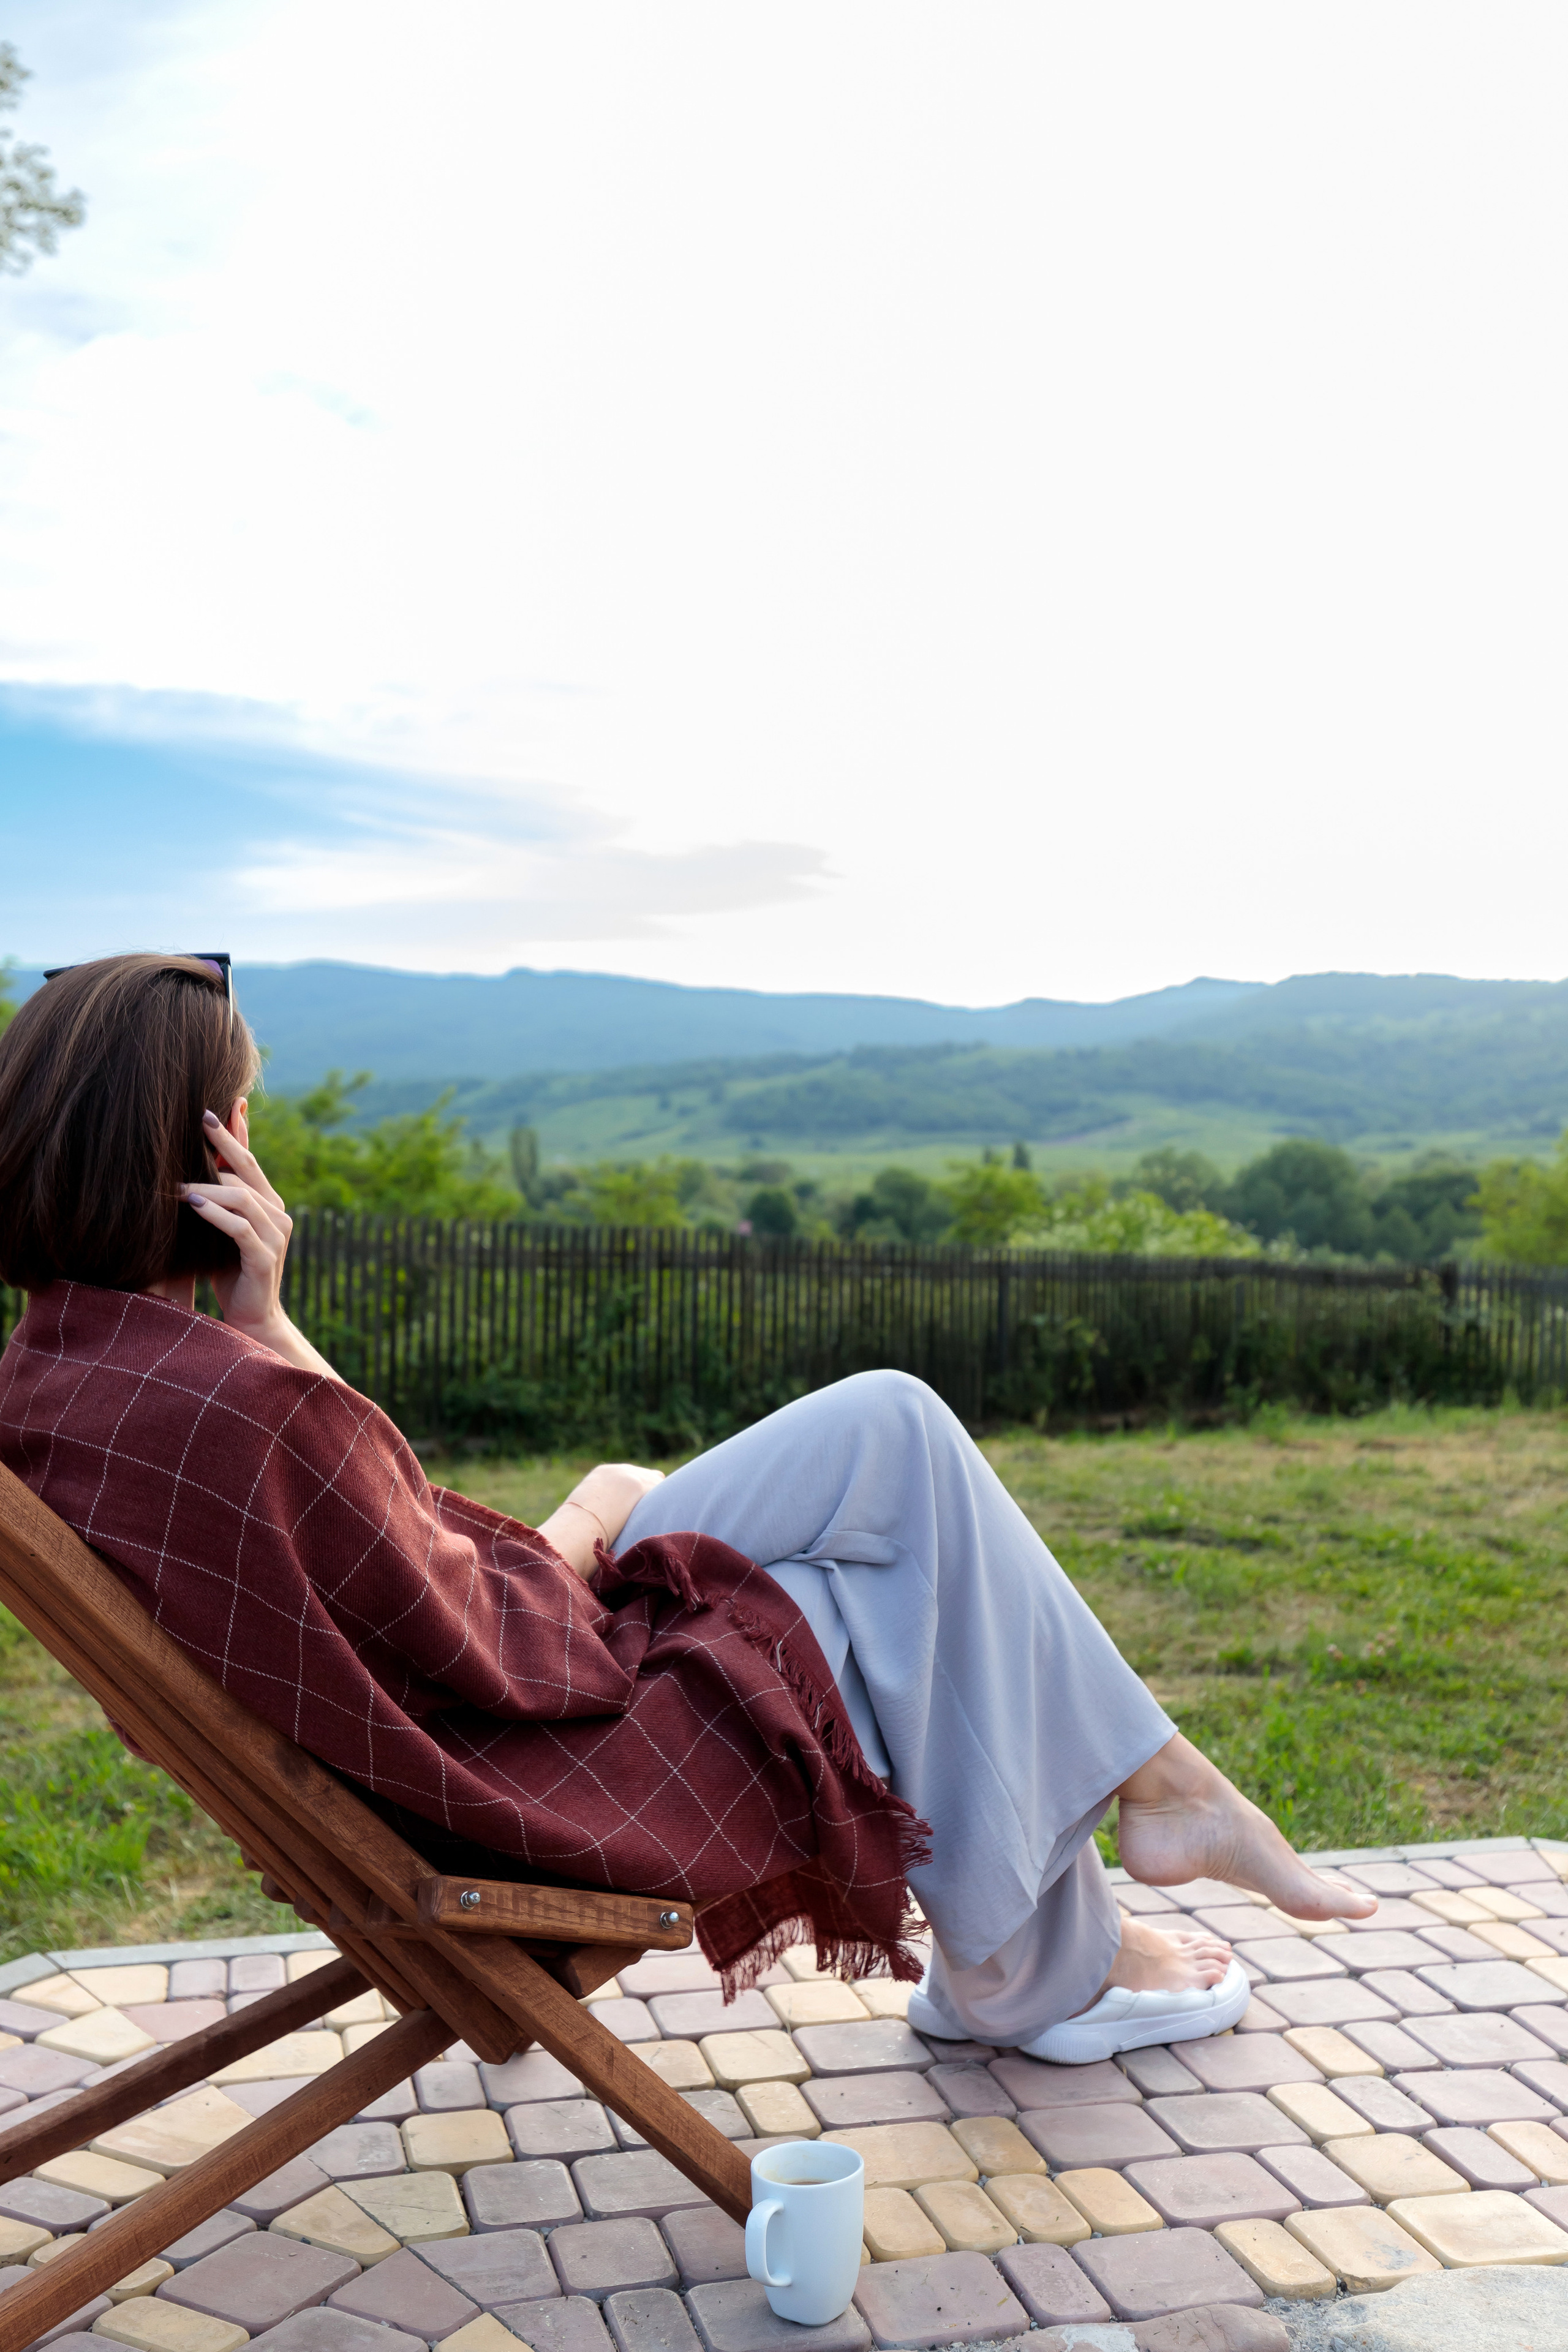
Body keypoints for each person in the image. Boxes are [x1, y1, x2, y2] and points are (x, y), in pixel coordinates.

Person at [0, 955, 1375, 2063]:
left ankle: (1058, 1930)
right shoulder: (225, 1410)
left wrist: (269, 1324)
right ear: (202, 1149)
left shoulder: (80, 1377)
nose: (255, 1143)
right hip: (529, 1779)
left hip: (458, 1747)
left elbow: (376, 1555)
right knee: (879, 1506)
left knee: (866, 1466)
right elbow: (488, 1638)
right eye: (244, 1112)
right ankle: (1085, 1894)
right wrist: (586, 1523)